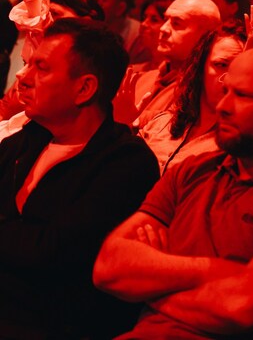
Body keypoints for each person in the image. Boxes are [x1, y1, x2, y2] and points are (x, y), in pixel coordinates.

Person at [93, 47, 253, 338]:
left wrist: (153, 283)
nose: (223, 106)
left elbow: (243, 308)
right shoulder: (193, 170)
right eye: (226, 90)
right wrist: (213, 270)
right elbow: (108, 267)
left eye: (243, 96)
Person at [0, 18, 159, 338]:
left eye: (41, 68)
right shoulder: (20, 143)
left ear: (84, 88)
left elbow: (51, 253)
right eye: (28, 64)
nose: (22, 75)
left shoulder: (126, 162)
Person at [136, 21, 246, 174]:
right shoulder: (163, 122)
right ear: (201, 68)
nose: (228, 78)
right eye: (221, 65)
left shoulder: (238, 143)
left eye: (239, 67)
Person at [114, 0, 223, 128]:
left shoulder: (200, 94)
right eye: (165, 20)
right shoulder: (142, 78)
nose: (164, 29)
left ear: (205, 35)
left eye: (176, 23)